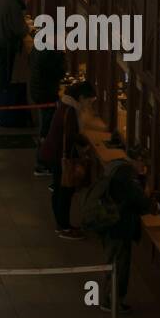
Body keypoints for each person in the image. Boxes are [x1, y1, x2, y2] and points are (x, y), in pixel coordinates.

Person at [98, 159, 155, 314]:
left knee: (111, 261)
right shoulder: (128, 182)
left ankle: (107, 297)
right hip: (121, 230)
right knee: (120, 266)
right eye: (142, 165)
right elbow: (143, 204)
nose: (143, 168)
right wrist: (143, 180)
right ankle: (113, 300)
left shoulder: (115, 172)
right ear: (137, 162)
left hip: (108, 227)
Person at [41, 80, 96, 239]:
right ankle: (63, 226)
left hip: (54, 153)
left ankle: (61, 223)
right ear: (81, 97)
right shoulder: (70, 111)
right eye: (89, 101)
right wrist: (87, 144)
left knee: (59, 190)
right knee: (64, 191)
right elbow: (70, 135)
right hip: (61, 156)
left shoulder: (66, 105)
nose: (89, 105)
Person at [0, 0, 34, 124]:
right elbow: (19, 29)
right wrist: (28, 28)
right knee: (4, 74)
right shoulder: (14, 6)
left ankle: (0, 104)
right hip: (4, 43)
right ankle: (3, 107)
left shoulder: (5, 0)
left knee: (1, 72)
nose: (28, 2)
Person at [30, 34, 66, 176]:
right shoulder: (51, 53)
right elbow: (60, 72)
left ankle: (42, 160)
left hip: (38, 91)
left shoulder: (38, 47)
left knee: (45, 127)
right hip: (47, 94)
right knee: (47, 129)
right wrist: (62, 55)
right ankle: (42, 163)